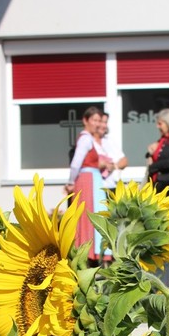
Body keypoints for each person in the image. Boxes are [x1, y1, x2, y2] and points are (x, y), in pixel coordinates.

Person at [66, 106, 112, 254]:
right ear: (85, 121)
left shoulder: (90, 139)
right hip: (87, 180)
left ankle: (94, 250)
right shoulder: (85, 139)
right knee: (89, 213)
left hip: (93, 179)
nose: (97, 124)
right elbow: (76, 163)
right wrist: (71, 182)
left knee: (95, 212)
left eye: (99, 120)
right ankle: (89, 249)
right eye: (94, 120)